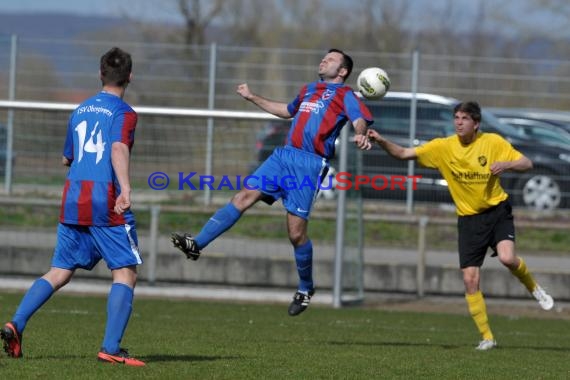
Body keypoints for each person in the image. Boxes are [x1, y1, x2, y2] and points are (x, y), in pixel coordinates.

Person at [172, 48, 373, 316]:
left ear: (343, 71)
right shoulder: (308, 89)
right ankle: (197, 245)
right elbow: (287, 111)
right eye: (324, 57)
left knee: (295, 234)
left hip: (309, 164)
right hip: (283, 157)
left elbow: (359, 119)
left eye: (332, 59)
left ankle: (305, 287)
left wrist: (360, 134)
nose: (324, 60)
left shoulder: (346, 95)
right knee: (242, 197)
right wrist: (253, 97)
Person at [367, 101, 554, 351]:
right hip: (468, 220)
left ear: (476, 124)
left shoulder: (493, 142)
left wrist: (506, 164)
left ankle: (534, 288)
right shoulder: (443, 147)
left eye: (465, 118)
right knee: (469, 279)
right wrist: (380, 140)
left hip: (497, 211)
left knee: (508, 259)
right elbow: (403, 154)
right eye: (456, 117)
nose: (458, 122)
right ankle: (487, 337)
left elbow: (527, 164)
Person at [0, 47, 145, 366]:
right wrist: (126, 188)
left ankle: (16, 323)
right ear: (130, 77)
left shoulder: (80, 110)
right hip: (104, 198)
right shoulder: (124, 112)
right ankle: (110, 347)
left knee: (60, 270)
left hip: (73, 195)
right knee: (125, 272)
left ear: (100, 74)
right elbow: (119, 147)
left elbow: (67, 156)